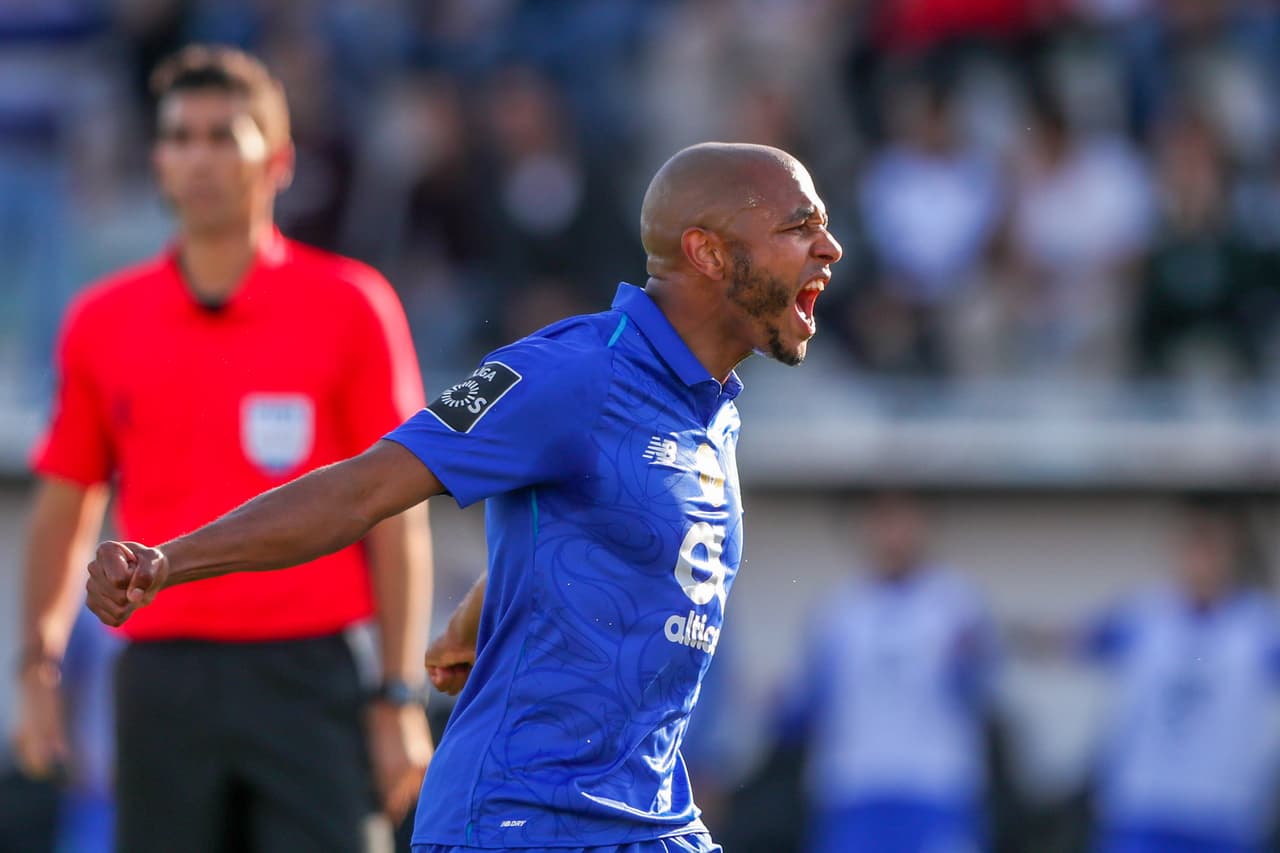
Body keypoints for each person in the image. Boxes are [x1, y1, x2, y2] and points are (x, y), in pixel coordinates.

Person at [81, 140, 844, 852]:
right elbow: (364, 487)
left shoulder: (709, 408)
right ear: (708, 252)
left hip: (652, 820)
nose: (829, 248)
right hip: (521, 820)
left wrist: (472, 618)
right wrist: (167, 560)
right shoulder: (570, 372)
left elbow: (596, 523)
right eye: (799, 226)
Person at [11, 45, 434, 853]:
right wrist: (38, 669)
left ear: (278, 160)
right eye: (180, 136)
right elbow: (65, 504)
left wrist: (398, 694)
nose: (199, 157)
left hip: (312, 671)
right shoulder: (103, 320)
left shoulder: (351, 305)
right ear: (158, 159)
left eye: (222, 136)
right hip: (161, 673)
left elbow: (395, 512)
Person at [777, 491, 999, 853]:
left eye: (904, 523)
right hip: (853, 785)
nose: (893, 536)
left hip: (936, 784)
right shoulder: (838, 609)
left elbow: (983, 691)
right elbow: (808, 703)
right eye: (882, 524)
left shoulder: (958, 604)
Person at [1076, 499, 1280, 853]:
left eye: (1212, 549)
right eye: (1192, 548)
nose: (1201, 562)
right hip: (1143, 803)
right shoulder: (1140, 615)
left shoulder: (1261, 626)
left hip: (1223, 810)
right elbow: (1073, 642)